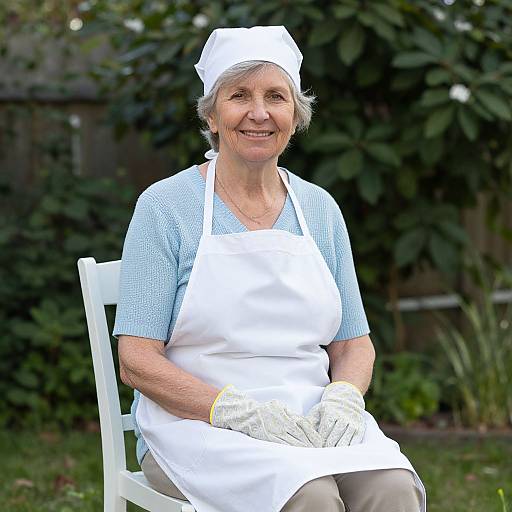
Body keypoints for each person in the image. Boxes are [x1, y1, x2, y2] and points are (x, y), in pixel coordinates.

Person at [113, 25, 426, 512]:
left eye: (275, 96)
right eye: (239, 96)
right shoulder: (165, 207)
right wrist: (231, 410)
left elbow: (353, 343)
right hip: (195, 425)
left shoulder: (318, 208)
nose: (258, 113)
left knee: (392, 487)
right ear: (213, 116)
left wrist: (343, 397)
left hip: (311, 414)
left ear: (294, 116)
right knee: (311, 497)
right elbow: (136, 360)